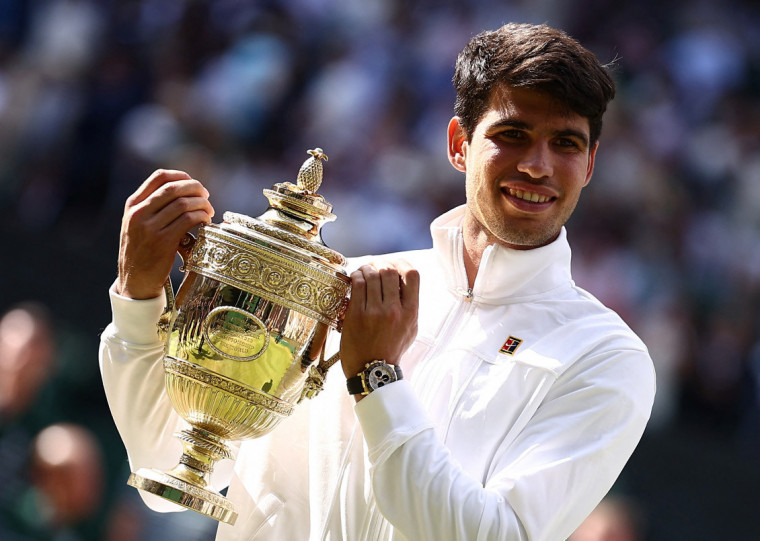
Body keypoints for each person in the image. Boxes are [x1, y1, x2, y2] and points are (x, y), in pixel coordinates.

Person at [99, 22, 656, 540]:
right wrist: (139, 297)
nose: (538, 164)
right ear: (459, 144)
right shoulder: (340, 284)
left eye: (566, 143)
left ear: (589, 163)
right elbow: (170, 466)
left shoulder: (605, 357)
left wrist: (376, 379)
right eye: (512, 133)